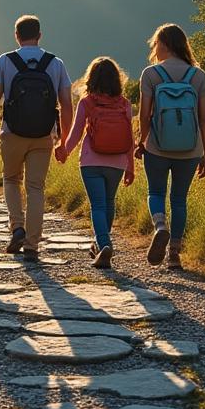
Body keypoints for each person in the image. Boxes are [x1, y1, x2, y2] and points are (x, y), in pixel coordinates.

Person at [0, 15, 73, 261]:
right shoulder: (55, 63)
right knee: (36, 187)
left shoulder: (5, 61)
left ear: (16, 36)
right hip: (44, 135)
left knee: (11, 179)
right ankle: (32, 245)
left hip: (12, 132)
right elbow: (66, 104)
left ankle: (17, 228)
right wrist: (63, 139)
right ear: (40, 35)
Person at [135, 23, 205, 270]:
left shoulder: (151, 74)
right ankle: (174, 255)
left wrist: (140, 141)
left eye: (155, 43)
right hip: (190, 149)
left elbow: (144, 115)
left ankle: (160, 226)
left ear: (164, 44)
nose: (154, 48)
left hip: (157, 146)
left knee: (156, 193)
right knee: (179, 199)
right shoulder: (198, 76)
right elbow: (204, 118)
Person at [56, 57, 136, 269]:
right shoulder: (125, 105)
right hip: (117, 162)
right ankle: (102, 242)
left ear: (91, 78)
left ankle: (104, 243)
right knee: (108, 203)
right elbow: (129, 138)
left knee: (97, 205)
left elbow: (76, 132)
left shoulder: (87, 102)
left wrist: (64, 151)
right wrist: (131, 167)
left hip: (91, 161)